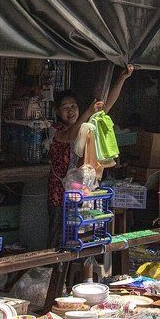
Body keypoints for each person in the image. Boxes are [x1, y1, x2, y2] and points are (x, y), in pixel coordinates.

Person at [48, 65, 133, 246]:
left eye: (73, 107)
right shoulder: (55, 130)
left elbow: (106, 106)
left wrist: (122, 79)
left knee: (83, 236)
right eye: (65, 108)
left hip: (83, 190)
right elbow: (71, 135)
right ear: (56, 111)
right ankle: (51, 272)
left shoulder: (85, 124)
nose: (71, 111)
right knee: (59, 239)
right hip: (61, 195)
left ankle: (79, 272)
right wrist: (88, 110)